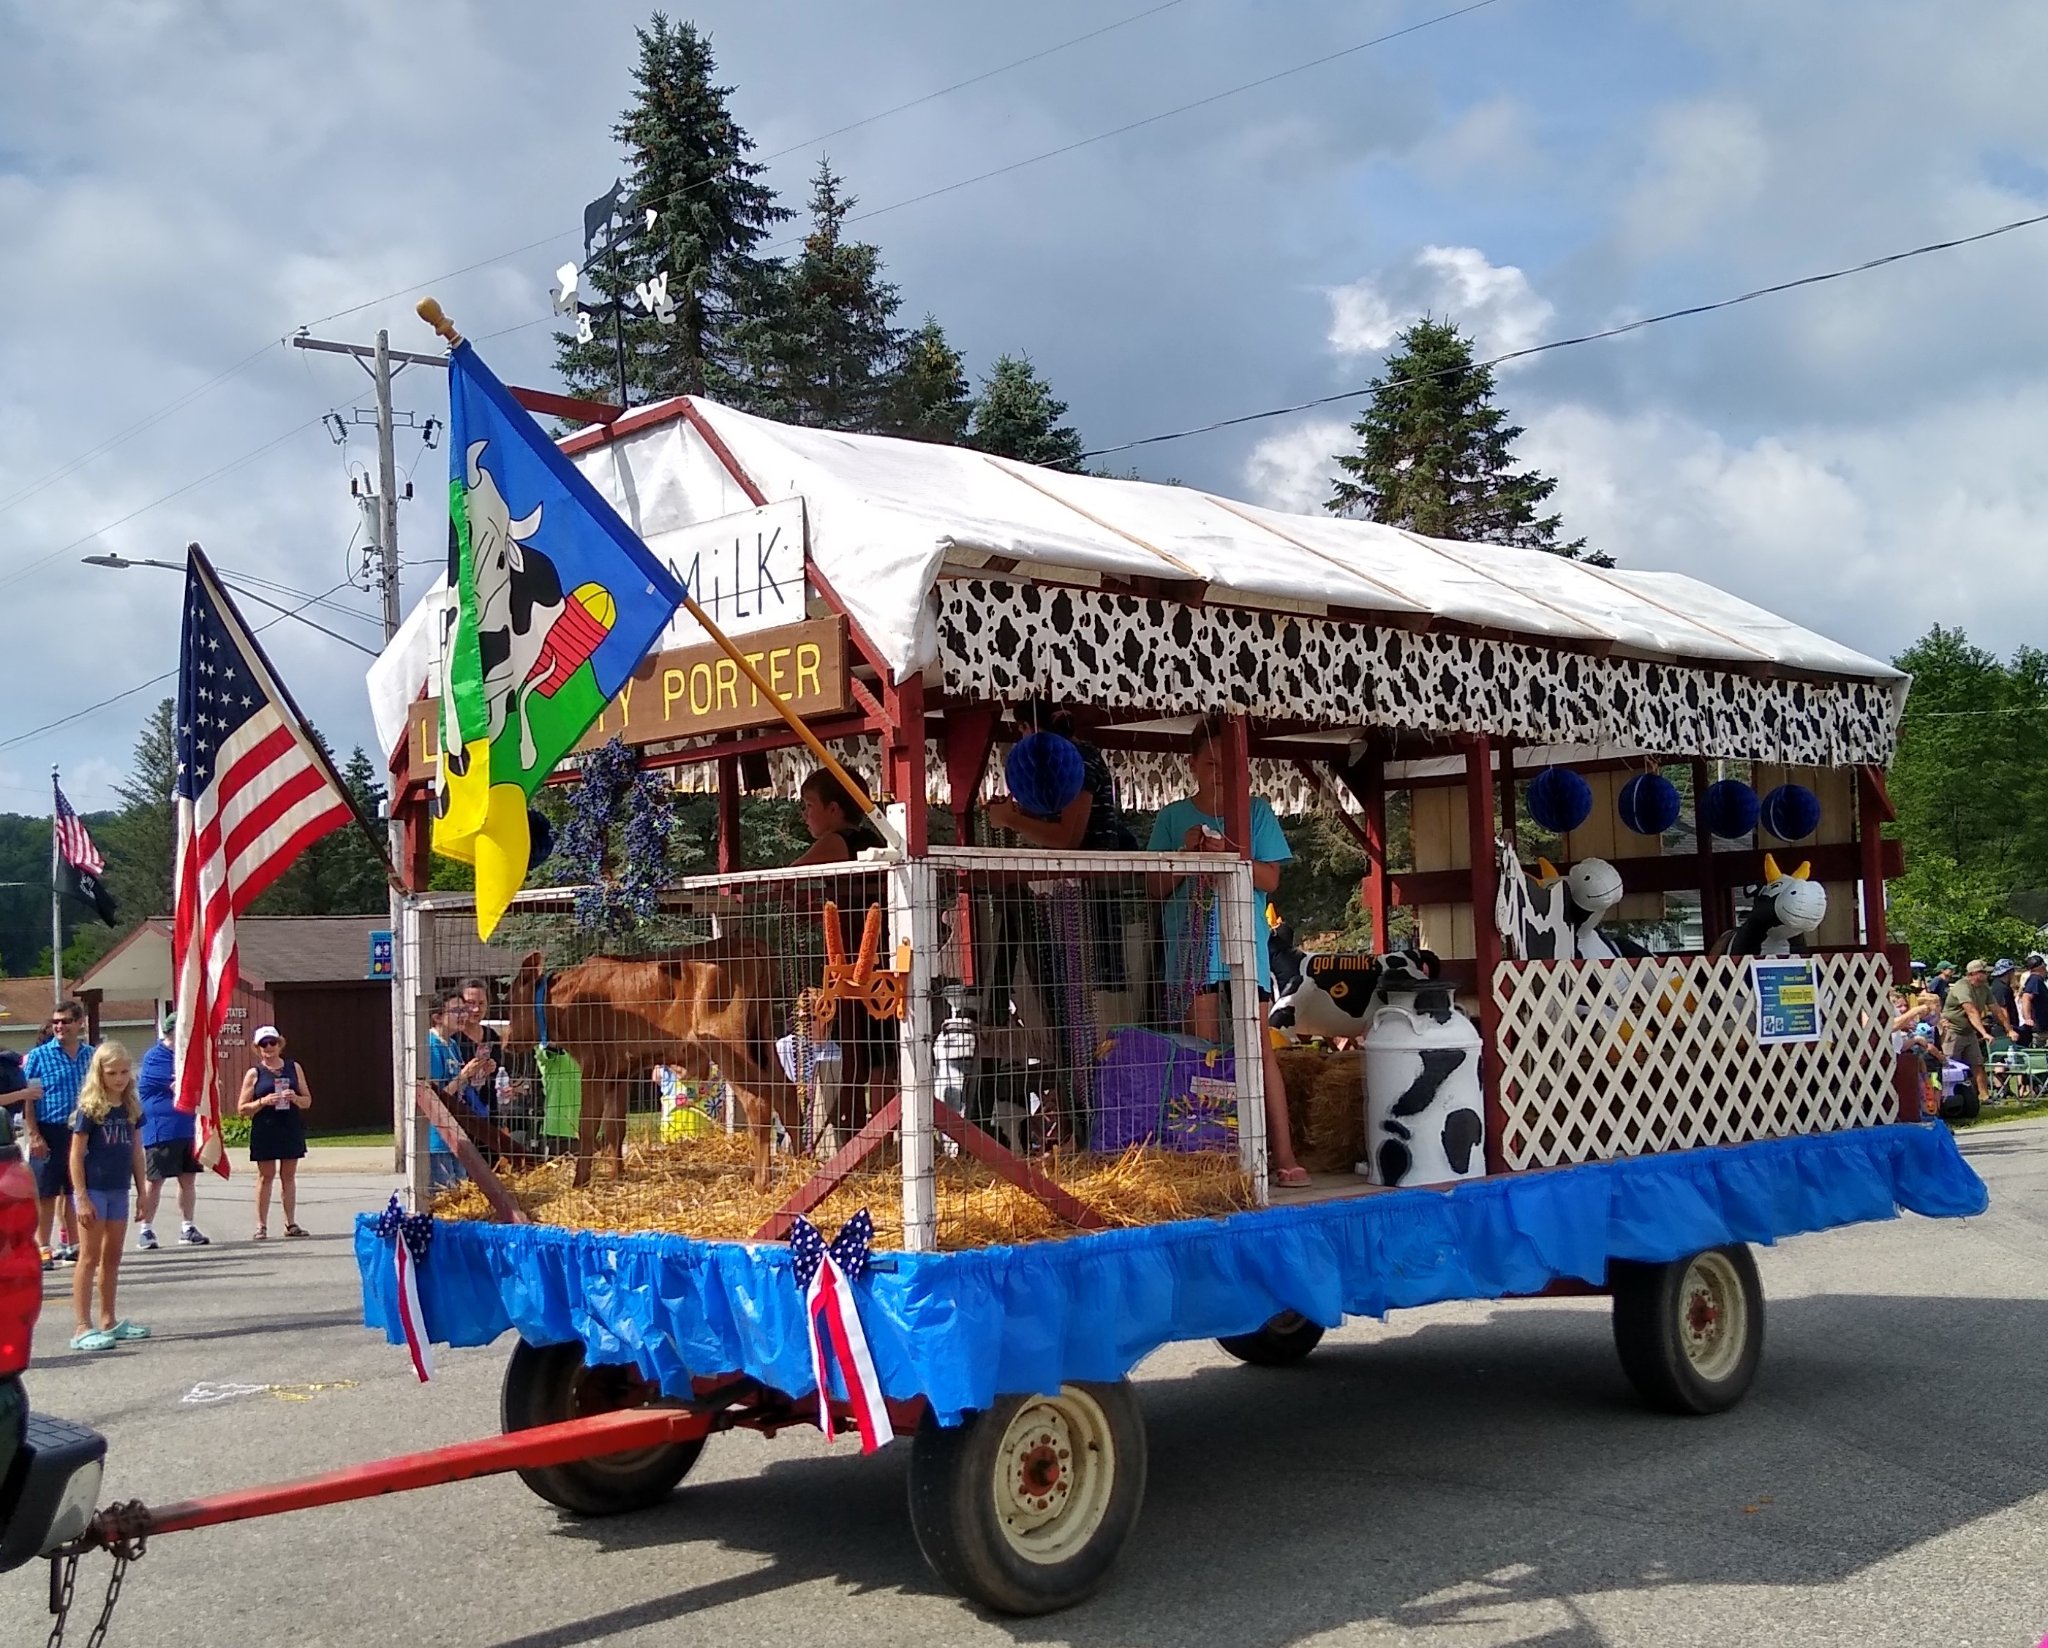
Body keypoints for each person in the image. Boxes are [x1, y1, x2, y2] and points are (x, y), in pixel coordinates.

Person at [1148, 713, 1309, 1188]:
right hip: (1193, 951)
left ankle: (1283, 1154)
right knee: (1203, 1051)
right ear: (1192, 765)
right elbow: (1154, 887)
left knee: (1258, 1049)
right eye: (1210, 763)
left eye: (1229, 765)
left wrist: (1228, 857)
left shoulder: (1255, 811)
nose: (1219, 773)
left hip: (1246, 947)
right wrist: (1187, 855)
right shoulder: (1172, 818)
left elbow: (1271, 879)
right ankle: (1213, 1158)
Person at [65, 1042, 149, 1352]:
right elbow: (75, 1155)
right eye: (112, 1073)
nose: (119, 1079)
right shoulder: (90, 1109)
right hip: (94, 1190)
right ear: (100, 1073)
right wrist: (81, 1196)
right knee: (89, 1256)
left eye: (124, 1072)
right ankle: (81, 1326)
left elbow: (136, 1152)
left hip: (119, 1189)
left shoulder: (130, 1107)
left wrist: (143, 1192)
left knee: (112, 1256)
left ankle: (108, 1319)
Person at [984, 700, 1136, 852]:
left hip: (1087, 866)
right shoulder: (1076, 757)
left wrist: (1010, 819)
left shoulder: (1074, 760)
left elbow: (1068, 839)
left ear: (1029, 727)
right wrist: (1024, 815)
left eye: (1022, 731)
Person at [21, 1000, 93, 1269]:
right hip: (48, 1129)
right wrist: (33, 1134)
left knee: (75, 1189)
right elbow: (28, 1098)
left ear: (79, 1023)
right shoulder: (39, 1056)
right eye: (56, 1022)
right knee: (46, 1193)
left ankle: (73, 1244)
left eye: (66, 1021)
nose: (60, 1026)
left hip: (81, 1131)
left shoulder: (91, 1056)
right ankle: (43, 1247)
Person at [135, 1014, 208, 1250]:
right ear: (171, 1031)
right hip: (161, 1128)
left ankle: (188, 1227)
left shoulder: (189, 1055)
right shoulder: (156, 1056)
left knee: (188, 1179)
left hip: (187, 1125)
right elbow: (180, 1085)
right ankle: (146, 1229)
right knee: (155, 1180)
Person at [236, 1026, 311, 1239]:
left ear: (280, 1044)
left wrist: (295, 1098)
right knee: (265, 1176)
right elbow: (242, 1108)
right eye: (264, 1044)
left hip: (290, 1125)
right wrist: (263, 1101)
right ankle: (261, 1225)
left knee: (288, 1176)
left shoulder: (293, 1067)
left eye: (272, 1042)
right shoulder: (255, 1073)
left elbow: (307, 1100)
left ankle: (290, 1223)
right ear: (257, 1048)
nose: (269, 1047)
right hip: (266, 1127)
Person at [427, 991, 492, 1187]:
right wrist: (464, 1075)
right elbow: (434, 1096)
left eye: (464, 1010)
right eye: (456, 1011)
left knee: (463, 1189)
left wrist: (479, 1073)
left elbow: (460, 1088)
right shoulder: (432, 1046)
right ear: (437, 1017)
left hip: (456, 1131)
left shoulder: (452, 1044)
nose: (463, 1015)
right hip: (438, 1137)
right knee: (446, 1193)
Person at [1941, 959, 2013, 1111]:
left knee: (1978, 1064)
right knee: (1950, 1066)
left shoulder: (1984, 988)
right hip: (1952, 1031)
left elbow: (1996, 1009)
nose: (1987, 974)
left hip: (1969, 1031)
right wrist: (1984, 1033)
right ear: (1973, 974)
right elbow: (1971, 1011)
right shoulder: (1962, 986)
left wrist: (2009, 1029)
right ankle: (1948, 1100)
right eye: (1984, 972)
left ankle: (1984, 1097)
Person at [792, 769, 885, 865]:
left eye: (809, 805)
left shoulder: (835, 841)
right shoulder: (870, 837)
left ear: (833, 809)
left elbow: (791, 872)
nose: (805, 814)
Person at [2018, 954, 2048, 1049]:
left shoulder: (2037, 980)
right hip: (2039, 1028)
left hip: (2043, 1027)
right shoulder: (2035, 979)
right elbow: (2026, 997)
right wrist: (2028, 1018)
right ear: (2041, 966)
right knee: (2039, 1053)